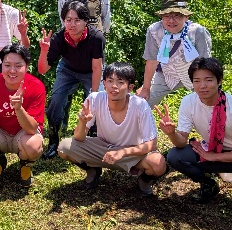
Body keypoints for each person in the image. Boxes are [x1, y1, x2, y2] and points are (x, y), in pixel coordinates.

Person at [160, 57, 232, 211]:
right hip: (211, 150)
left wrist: (214, 157)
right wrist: (171, 134)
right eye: (197, 81)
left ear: (219, 80)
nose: (202, 86)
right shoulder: (188, 102)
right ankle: (208, 184)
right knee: (175, 156)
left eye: (208, 80)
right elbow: (181, 140)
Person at [58, 62, 167, 196]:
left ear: (130, 87)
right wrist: (82, 122)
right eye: (110, 81)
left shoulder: (140, 105)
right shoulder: (95, 99)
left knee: (158, 163)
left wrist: (123, 152)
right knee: (64, 147)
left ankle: (144, 180)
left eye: (120, 82)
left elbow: (152, 144)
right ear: (104, 84)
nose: (114, 86)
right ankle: (93, 169)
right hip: (103, 149)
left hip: (131, 153)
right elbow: (79, 138)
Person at [0, 43, 45, 187]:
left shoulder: (36, 86)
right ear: (1, 65)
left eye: (18, 66)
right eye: (7, 65)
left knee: (33, 146)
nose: (12, 70)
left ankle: (25, 165)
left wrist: (19, 109)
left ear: (26, 66)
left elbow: (32, 129)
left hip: (23, 133)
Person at [38, 1, 105, 159]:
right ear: (63, 21)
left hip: (91, 71)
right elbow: (42, 70)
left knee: (97, 102)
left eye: (77, 20)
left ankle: (94, 138)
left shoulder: (96, 37)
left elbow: (97, 68)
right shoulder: (59, 38)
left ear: (85, 21)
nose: (72, 24)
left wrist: (94, 94)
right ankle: (53, 141)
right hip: (67, 70)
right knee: (55, 101)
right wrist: (44, 50)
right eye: (68, 20)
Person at [137, 0, 212, 107]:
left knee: (208, 104)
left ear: (186, 17)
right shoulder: (154, 31)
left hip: (195, 74)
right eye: (166, 16)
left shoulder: (198, 31)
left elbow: (205, 63)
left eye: (177, 16)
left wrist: (206, 88)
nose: (171, 21)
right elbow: (151, 61)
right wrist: (146, 88)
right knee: (142, 104)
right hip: (166, 74)